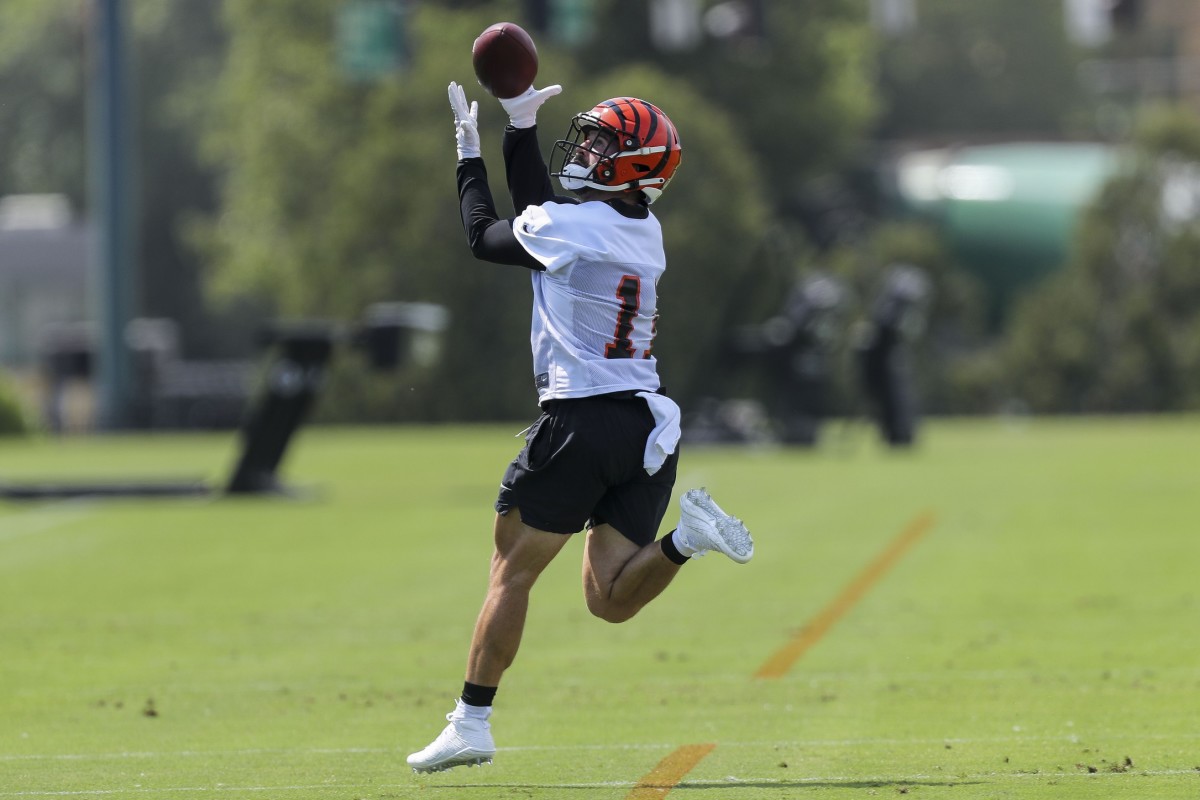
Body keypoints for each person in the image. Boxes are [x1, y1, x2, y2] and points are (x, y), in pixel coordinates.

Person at [406, 78, 754, 774]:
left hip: (581, 421)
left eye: (602, 143)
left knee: (509, 573)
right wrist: (521, 123)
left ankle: (471, 722)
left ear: (633, 163)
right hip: (645, 427)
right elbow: (544, 209)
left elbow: (485, 235)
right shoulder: (640, 229)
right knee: (610, 600)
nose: (588, 149)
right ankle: (686, 539)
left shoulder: (578, 227)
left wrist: (470, 155)